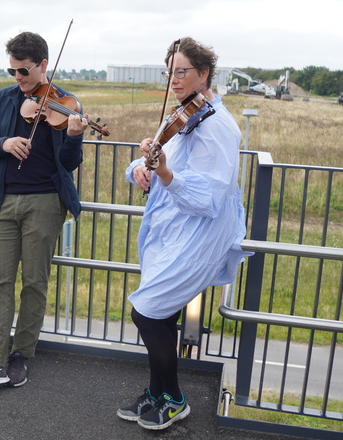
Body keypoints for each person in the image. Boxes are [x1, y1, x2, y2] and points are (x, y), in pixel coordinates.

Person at [118, 37, 252, 430]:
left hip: (199, 236)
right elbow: (157, 160)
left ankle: (175, 399)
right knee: (162, 317)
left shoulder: (220, 127)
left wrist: (162, 172)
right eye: (170, 72)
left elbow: (209, 197)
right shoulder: (183, 115)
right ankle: (156, 393)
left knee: (145, 312)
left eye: (182, 72)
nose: (174, 80)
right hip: (170, 233)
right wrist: (141, 168)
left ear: (204, 73)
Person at [0, 31, 89, 388]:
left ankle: (21, 356)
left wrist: (74, 136)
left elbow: (70, 162)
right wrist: (5, 143)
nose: (18, 78)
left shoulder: (67, 104)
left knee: (34, 283)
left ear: (44, 65)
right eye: (12, 71)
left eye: (24, 71)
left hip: (45, 201)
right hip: (3, 201)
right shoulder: (2, 100)